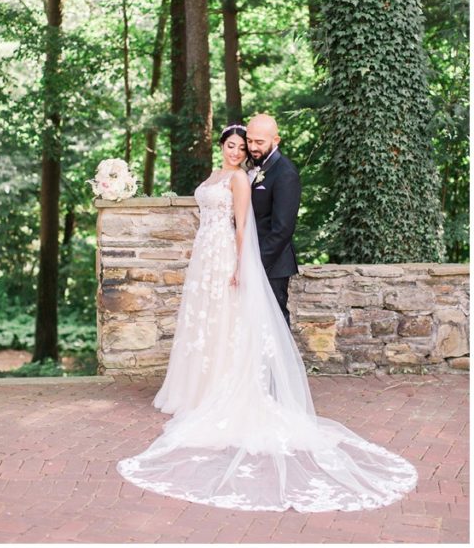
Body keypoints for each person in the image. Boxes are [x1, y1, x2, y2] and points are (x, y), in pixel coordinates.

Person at [117, 124, 417, 512]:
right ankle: (200, 389)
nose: (241, 150)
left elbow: (257, 226)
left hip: (243, 258)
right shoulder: (222, 174)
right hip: (207, 256)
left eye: (248, 145)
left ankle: (265, 394)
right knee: (207, 325)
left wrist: (246, 265)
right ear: (222, 145)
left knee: (250, 326)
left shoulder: (264, 174)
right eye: (235, 144)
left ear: (269, 141)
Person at [246, 113, 301, 328]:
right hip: (250, 258)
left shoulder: (285, 172)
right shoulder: (252, 166)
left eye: (259, 142)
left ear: (275, 140)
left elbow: (283, 229)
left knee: (274, 323)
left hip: (272, 263)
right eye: (249, 141)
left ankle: (280, 364)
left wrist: (256, 263)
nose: (252, 147)